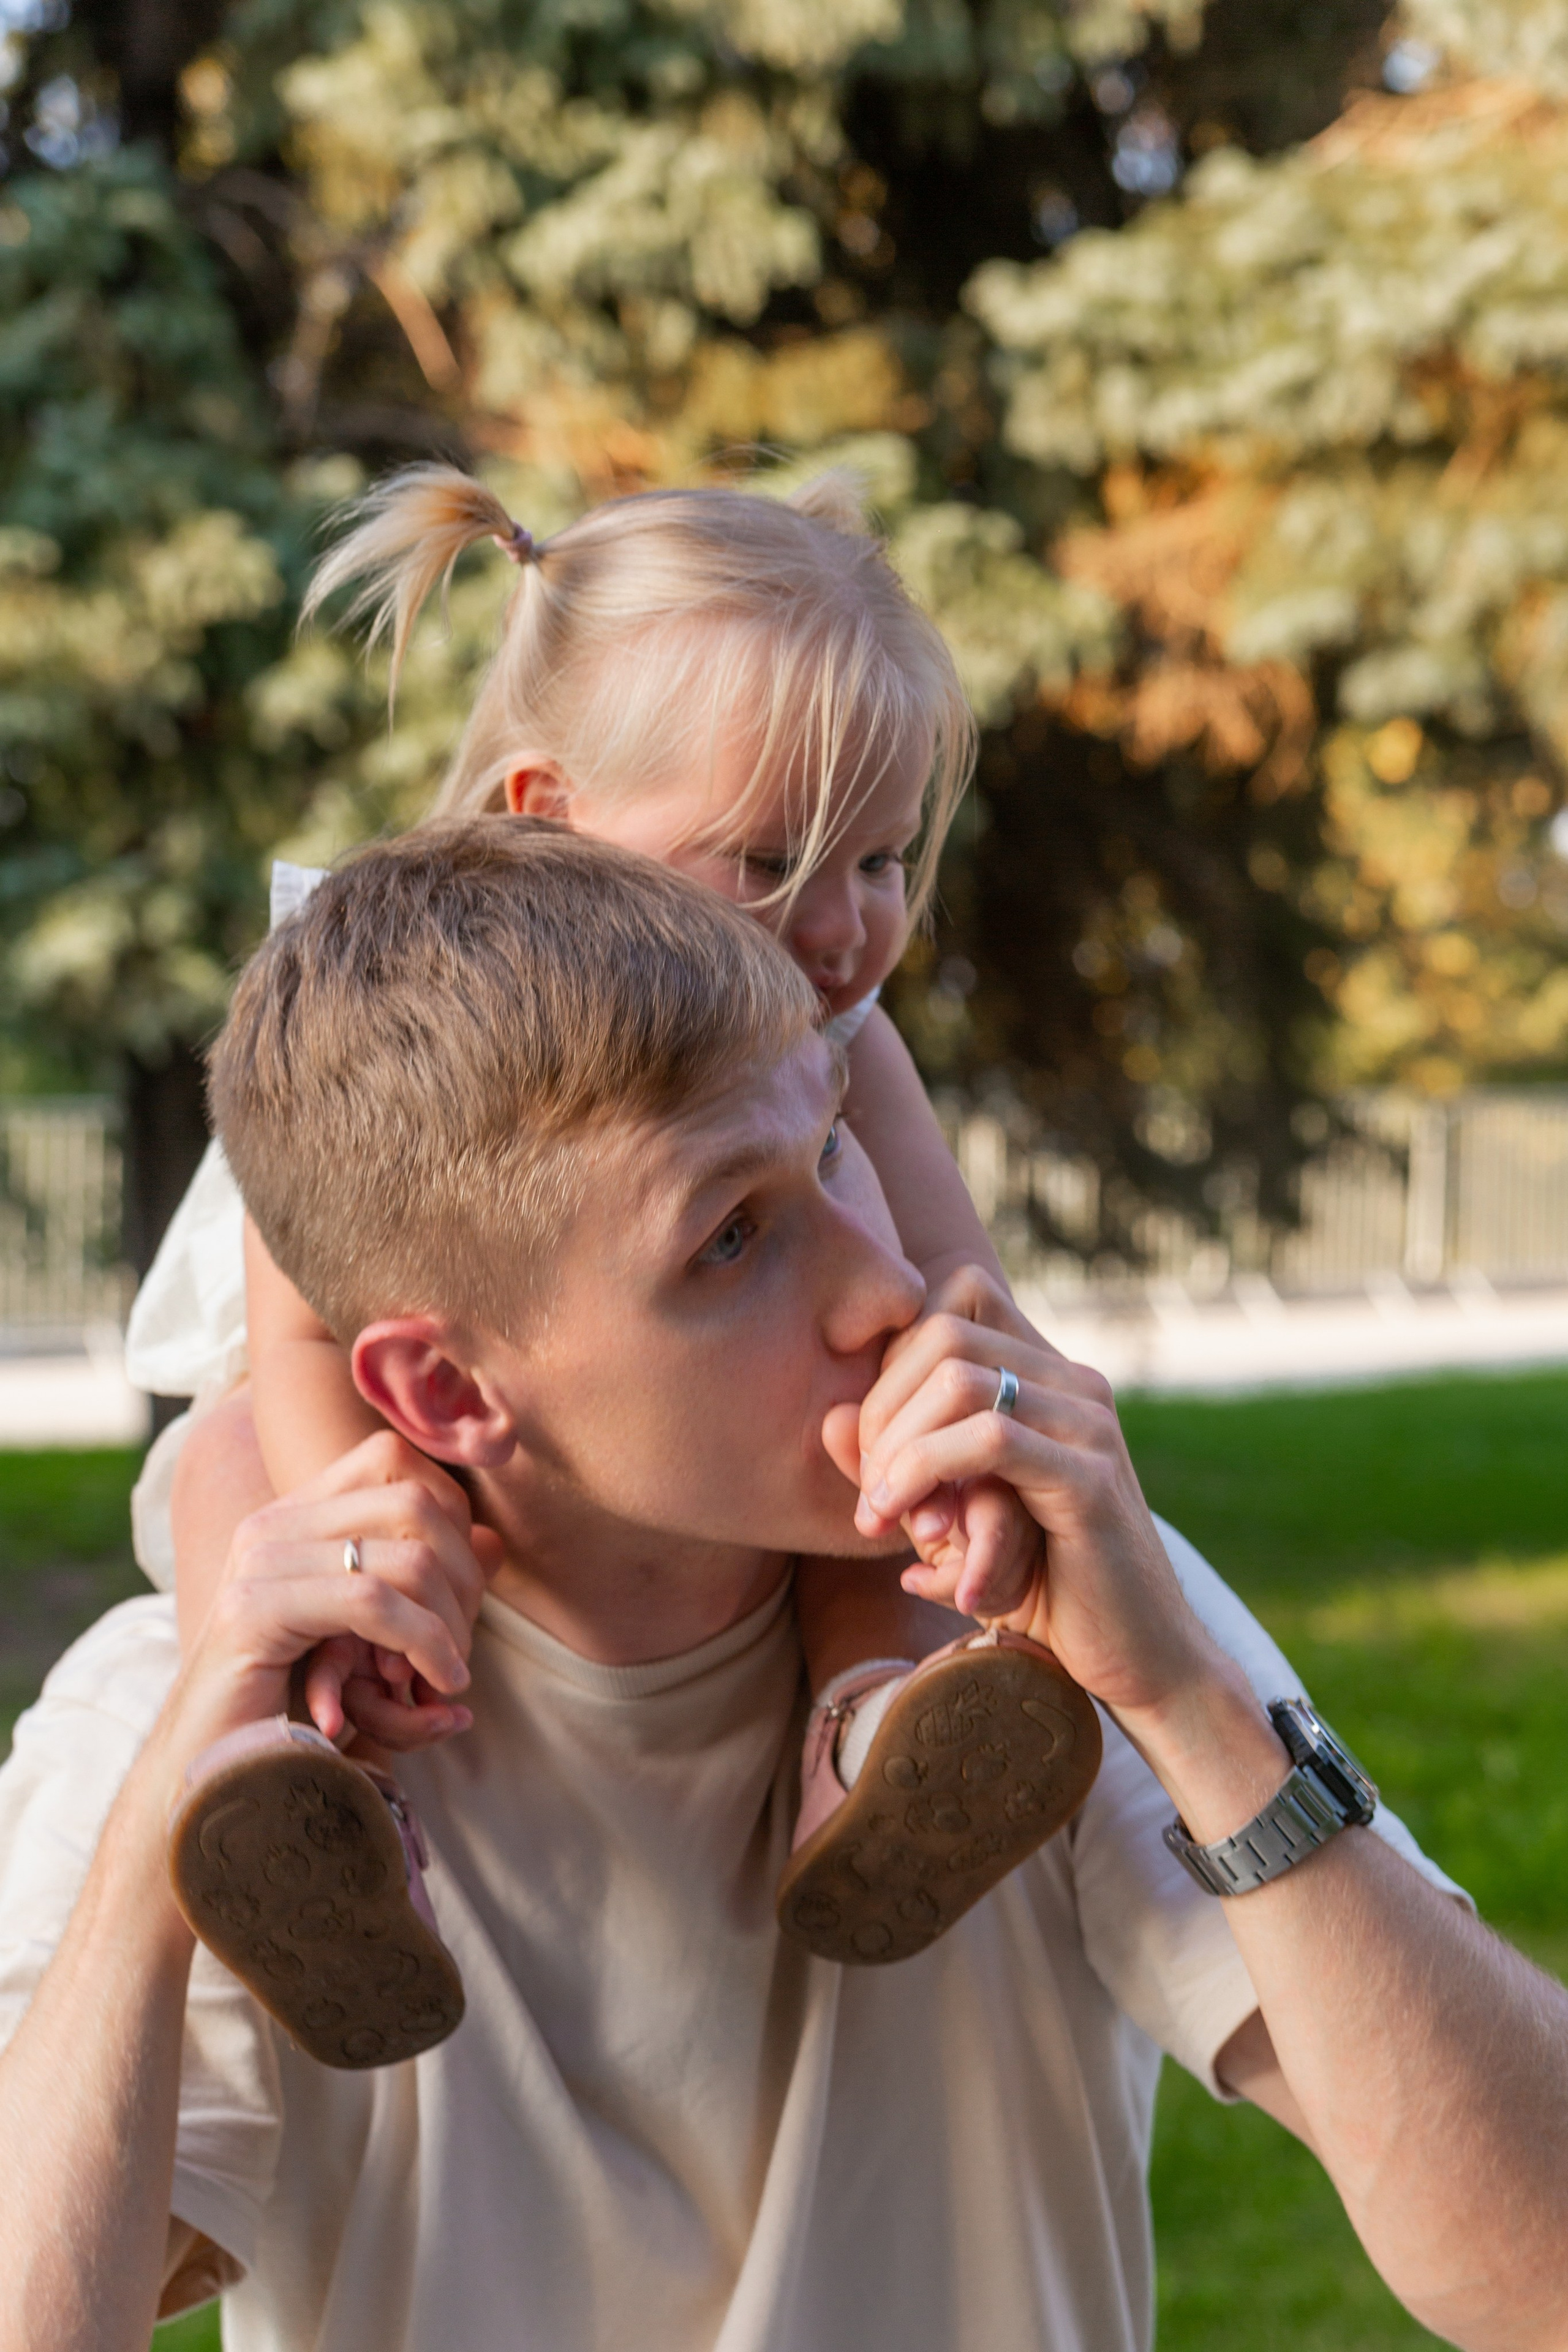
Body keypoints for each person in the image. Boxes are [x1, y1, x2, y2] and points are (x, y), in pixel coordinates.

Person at [2, 821, 1564, 2352]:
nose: (888, 1288)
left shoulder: (1041, 1608)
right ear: (446, 1393)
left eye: (835, 1144)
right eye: (733, 1237)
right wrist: (159, 1852)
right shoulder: (193, 1716)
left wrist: (1189, 1707)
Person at [124, 465, 1081, 2019]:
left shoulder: (849, 1032)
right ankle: (299, 1794)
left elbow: (950, 1294)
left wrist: (983, 1440)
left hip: (672, 1441)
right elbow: (301, 1331)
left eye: (881, 859)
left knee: (865, 1484)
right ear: (549, 819)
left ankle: (866, 1741)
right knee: (233, 1464)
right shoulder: (393, 1020)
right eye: (767, 862)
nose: (839, 929)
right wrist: (365, 1540)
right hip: (379, 1415)